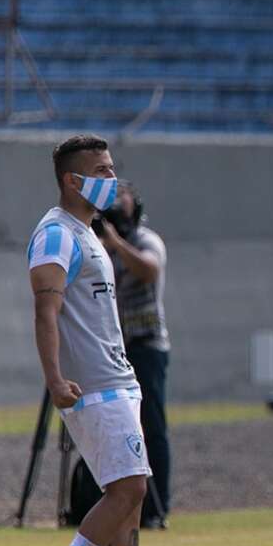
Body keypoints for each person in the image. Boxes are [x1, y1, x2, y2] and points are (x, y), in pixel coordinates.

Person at [28, 133, 181, 546]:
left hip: (119, 379)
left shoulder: (90, 232)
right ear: (73, 180)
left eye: (113, 169)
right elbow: (45, 311)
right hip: (93, 385)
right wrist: (54, 379)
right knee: (129, 488)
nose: (112, 180)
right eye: (101, 171)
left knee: (131, 496)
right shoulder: (56, 235)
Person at [98, 181, 172, 528]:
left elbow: (149, 270)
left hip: (147, 345)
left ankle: (158, 508)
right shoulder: (99, 248)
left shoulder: (145, 240)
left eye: (123, 195)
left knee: (152, 426)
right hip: (114, 350)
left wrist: (115, 243)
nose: (116, 202)